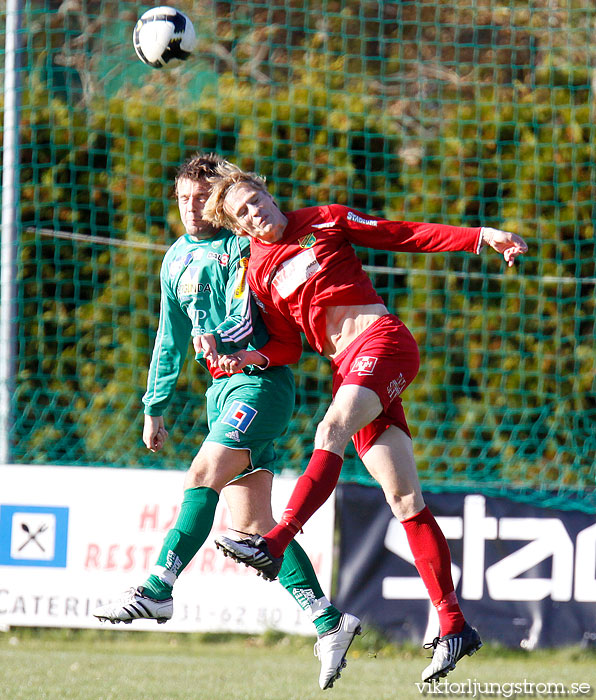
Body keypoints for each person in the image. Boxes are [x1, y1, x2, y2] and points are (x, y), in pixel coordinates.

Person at [200, 162, 528, 683]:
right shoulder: (258, 275)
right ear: (239, 228)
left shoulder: (326, 220)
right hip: (347, 370)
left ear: (269, 193)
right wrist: (242, 358)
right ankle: (454, 625)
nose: (256, 213)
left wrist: (481, 236)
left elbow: (403, 234)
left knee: (329, 431)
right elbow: (285, 346)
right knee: (405, 501)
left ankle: (276, 540)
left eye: (256, 200)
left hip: (382, 344)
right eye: (243, 214)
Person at [92, 153, 361, 691]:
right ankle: (331, 623)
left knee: (200, 474)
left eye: (200, 199)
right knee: (253, 529)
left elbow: (286, 304)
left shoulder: (247, 246)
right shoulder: (173, 261)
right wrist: (154, 405)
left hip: (261, 384)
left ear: (218, 202)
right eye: (182, 199)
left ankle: (158, 588)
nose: (191, 209)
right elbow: (168, 338)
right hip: (222, 392)